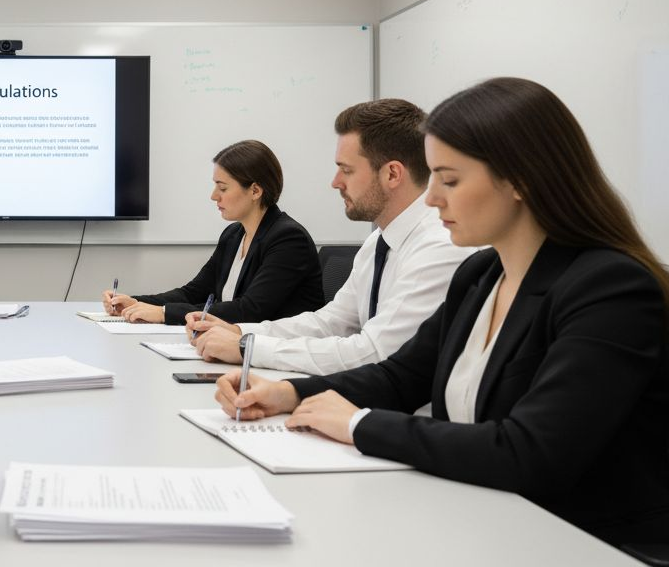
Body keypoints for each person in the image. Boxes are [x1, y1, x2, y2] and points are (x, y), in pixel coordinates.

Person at [214, 77, 669, 545]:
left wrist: (357, 423)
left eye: (449, 180)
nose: (431, 198)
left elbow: (530, 452)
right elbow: (398, 376)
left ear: (521, 180)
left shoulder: (610, 288)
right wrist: (287, 392)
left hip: (579, 542)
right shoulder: (481, 274)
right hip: (480, 517)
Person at [192, 99, 473, 374]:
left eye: (347, 170)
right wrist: (240, 330)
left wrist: (247, 347)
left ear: (392, 174)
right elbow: (332, 322)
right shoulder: (379, 241)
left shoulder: (439, 245)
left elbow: (373, 352)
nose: (335, 182)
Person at [102, 140, 323, 325]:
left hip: (277, 356)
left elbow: (250, 310)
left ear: (255, 190)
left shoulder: (289, 240)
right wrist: (135, 302)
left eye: (223, 188)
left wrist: (163, 314)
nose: (214, 196)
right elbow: (193, 293)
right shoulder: (234, 235)